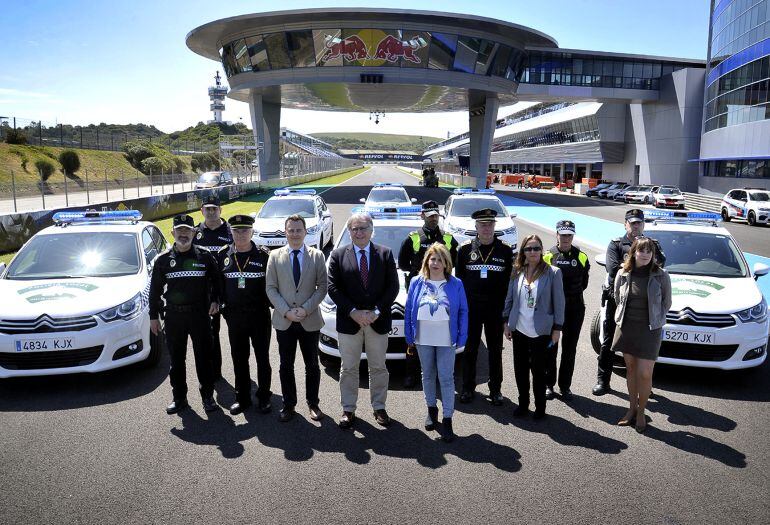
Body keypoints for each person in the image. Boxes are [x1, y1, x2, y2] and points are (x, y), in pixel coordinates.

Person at [327, 212, 399, 429]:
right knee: (349, 368)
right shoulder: (338, 255)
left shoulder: (385, 254)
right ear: (349, 232)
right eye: (354, 229)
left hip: (378, 320)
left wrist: (376, 311)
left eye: (363, 228)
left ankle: (379, 407)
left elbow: (392, 287)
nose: (359, 232)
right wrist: (353, 312)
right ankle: (348, 409)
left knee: (378, 367)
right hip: (349, 322)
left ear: (371, 230)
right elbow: (333, 288)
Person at [149, 214, 221, 415]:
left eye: (187, 230)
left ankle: (207, 396)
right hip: (174, 317)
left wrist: (215, 300)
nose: (183, 234)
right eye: (179, 230)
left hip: (200, 316)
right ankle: (179, 398)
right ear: (172, 232)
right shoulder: (163, 260)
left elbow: (217, 282)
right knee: (176, 361)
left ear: (195, 233)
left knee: (204, 359)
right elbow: (155, 290)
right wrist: (153, 316)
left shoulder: (205, 257)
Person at [594, 208, 666, 396]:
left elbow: (660, 265)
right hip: (618, 300)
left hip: (643, 303)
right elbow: (613, 269)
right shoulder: (616, 244)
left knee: (643, 345)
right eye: (632, 222)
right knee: (609, 341)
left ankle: (643, 386)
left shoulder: (652, 244)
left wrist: (641, 262)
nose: (636, 226)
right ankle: (603, 380)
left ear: (643, 224)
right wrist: (642, 264)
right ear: (625, 224)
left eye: (639, 223)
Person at [265, 214, 328, 423]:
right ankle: (289, 404)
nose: (294, 234)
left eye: (298, 230)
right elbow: (271, 289)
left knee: (312, 365)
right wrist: (286, 311)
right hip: (285, 321)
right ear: (285, 232)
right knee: (286, 365)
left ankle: (313, 403)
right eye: (291, 230)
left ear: (305, 231)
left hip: (309, 320)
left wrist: (305, 309)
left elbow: (322, 287)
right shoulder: (274, 256)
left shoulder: (317, 256)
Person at [404, 243, 468, 443]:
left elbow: (463, 311)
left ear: (446, 263)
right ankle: (431, 410)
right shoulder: (416, 281)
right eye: (432, 259)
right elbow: (408, 310)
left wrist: (462, 337)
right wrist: (409, 336)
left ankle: (448, 419)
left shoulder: (456, 283)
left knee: (446, 378)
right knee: (428, 374)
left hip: (446, 337)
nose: (436, 263)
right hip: (423, 337)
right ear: (426, 261)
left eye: (440, 259)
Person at [611, 237, 672, 433]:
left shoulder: (662, 276)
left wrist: (654, 318)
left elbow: (666, 303)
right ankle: (631, 409)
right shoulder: (623, 273)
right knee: (630, 369)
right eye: (641, 251)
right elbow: (616, 297)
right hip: (627, 326)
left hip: (650, 329)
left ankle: (641, 412)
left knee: (645, 373)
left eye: (649, 251)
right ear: (634, 253)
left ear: (653, 255)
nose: (645, 255)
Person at [455, 208, 514, 405]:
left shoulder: (505, 250)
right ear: (476, 226)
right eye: (482, 224)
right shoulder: (464, 250)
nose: (486, 228)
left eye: (490, 224)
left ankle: (495, 389)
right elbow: (459, 282)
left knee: (495, 350)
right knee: (470, 349)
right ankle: (467, 388)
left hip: (495, 309)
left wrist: (507, 314)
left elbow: (509, 284)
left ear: (495, 226)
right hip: (471, 309)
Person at [397, 200, 458, 388]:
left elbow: (454, 261)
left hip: (442, 292)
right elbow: (403, 263)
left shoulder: (447, 238)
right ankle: (411, 373)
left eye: (435, 215)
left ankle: (438, 374)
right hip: (418, 292)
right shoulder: (413, 237)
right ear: (422, 215)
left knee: (440, 333)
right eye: (429, 215)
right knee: (415, 333)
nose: (433, 219)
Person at [503, 234, 565, 420]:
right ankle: (523, 404)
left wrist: (557, 329)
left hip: (541, 331)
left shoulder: (553, 273)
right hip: (519, 329)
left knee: (539, 372)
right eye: (529, 248)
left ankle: (540, 407)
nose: (533, 252)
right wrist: (506, 322)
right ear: (523, 251)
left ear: (541, 250)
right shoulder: (517, 271)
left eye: (536, 248)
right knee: (520, 370)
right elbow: (509, 299)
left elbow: (559, 303)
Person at [217, 214, 272, 416]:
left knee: (262, 359)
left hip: (259, 317)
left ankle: (264, 397)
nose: (241, 234)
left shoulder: (263, 255)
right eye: (236, 230)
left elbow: (273, 285)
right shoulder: (223, 255)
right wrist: (224, 309)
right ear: (231, 232)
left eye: (245, 230)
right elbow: (217, 286)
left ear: (252, 231)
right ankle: (242, 398)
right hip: (235, 318)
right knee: (239, 359)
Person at [542, 220, 590, 401]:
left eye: (569, 235)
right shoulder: (548, 256)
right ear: (557, 235)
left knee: (570, 348)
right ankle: (548, 385)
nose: (566, 238)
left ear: (573, 236)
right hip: (553, 308)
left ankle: (565, 386)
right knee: (550, 347)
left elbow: (584, 283)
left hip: (575, 307)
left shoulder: (581, 256)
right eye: (563, 234)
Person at [192, 194, 233, 381]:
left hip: (231, 290)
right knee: (211, 334)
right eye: (207, 209)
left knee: (237, 334)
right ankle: (215, 372)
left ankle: (242, 374)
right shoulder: (194, 233)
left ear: (220, 210)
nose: (210, 212)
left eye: (214, 208)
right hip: (207, 293)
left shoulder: (231, 232)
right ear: (201, 211)